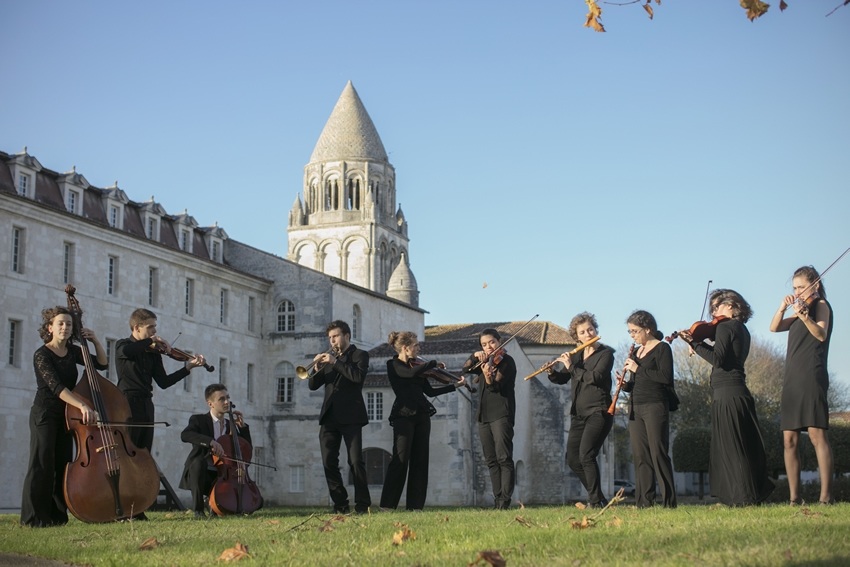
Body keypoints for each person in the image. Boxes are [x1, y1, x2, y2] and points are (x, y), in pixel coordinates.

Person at [676, 289, 774, 506]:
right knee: (738, 446)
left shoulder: (726, 326)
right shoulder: (741, 329)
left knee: (731, 448)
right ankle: (741, 497)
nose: (713, 313)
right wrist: (698, 343)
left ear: (731, 306)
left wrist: (694, 343)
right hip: (736, 391)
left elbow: (718, 359)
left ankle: (743, 498)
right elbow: (724, 356)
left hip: (728, 393)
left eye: (716, 307)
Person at [20, 307, 105, 527]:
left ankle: (57, 517)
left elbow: (101, 364)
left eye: (69, 324)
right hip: (45, 414)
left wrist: (95, 340)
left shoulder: (74, 351)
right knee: (41, 463)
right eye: (60, 324)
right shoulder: (42, 354)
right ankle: (33, 518)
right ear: (50, 327)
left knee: (62, 464)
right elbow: (57, 387)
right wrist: (83, 405)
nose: (65, 328)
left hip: (67, 416)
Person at [769, 266, 834, 505]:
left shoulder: (821, 306)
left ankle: (826, 496)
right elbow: (774, 327)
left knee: (817, 435)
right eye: (794, 287)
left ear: (815, 285)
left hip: (812, 375)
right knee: (789, 439)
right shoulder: (798, 309)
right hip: (792, 378)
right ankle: (794, 498)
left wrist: (805, 316)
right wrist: (783, 307)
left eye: (801, 286)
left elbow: (820, 335)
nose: (797, 291)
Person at [380, 332, 465, 510]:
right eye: (416, 345)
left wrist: (454, 386)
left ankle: (415, 506)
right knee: (400, 460)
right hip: (403, 415)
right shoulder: (393, 364)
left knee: (420, 460)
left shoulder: (419, 368)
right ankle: (387, 505)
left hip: (422, 415)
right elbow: (409, 373)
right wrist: (432, 363)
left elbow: (430, 392)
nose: (419, 348)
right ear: (406, 348)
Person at [116, 308, 206, 452]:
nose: (154, 331)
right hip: (128, 403)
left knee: (145, 451)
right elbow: (127, 352)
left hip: (147, 404)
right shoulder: (122, 345)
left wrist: (188, 367)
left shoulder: (154, 353)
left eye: (155, 327)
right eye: (150, 327)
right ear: (137, 328)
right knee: (128, 449)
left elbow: (164, 382)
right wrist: (151, 340)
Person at [547, 312, 613, 508]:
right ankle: (599, 498)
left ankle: (594, 501)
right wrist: (552, 372)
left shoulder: (605, 354)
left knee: (587, 455)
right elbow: (563, 379)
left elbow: (596, 377)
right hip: (578, 414)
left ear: (595, 330)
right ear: (577, 336)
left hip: (598, 411)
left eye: (590, 329)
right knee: (574, 460)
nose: (588, 334)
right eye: (582, 332)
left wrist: (571, 367)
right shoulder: (577, 356)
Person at [308, 320, 371, 514]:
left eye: (335, 336)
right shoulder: (328, 359)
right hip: (329, 417)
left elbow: (357, 378)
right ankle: (340, 504)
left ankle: (362, 505)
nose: (332, 341)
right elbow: (312, 385)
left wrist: (335, 362)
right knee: (328, 462)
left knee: (355, 461)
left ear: (346, 336)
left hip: (352, 416)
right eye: (330, 338)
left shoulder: (360, 355)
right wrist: (317, 367)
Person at [621, 310, 677, 508]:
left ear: (648, 329)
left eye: (635, 331)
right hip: (636, 406)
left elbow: (665, 377)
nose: (633, 335)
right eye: (630, 332)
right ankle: (644, 502)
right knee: (641, 455)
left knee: (658, 453)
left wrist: (638, 369)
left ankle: (669, 502)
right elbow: (637, 382)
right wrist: (624, 384)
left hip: (655, 405)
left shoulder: (663, 349)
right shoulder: (636, 352)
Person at [462, 328, 517, 510]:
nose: (488, 347)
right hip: (484, 414)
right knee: (491, 460)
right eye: (484, 345)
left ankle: (505, 501)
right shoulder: (485, 361)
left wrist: (488, 376)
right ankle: (497, 499)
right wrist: (475, 355)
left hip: (502, 412)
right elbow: (465, 369)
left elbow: (496, 387)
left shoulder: (507, 362)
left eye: (491, 342)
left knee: (504, 457)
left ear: (499, 341)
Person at [179, 383, 253, 518]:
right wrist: (210, 441)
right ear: (210, 404)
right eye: (222, 399)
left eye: (227, 398)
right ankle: (198, 510)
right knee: (197, 463)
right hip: (203, 473)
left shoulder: (232, 425)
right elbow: (185, 435)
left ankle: (218, 504)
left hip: (223, 475)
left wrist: (243, 429)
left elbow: (246, 451)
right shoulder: (198, 420)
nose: (227, 402)